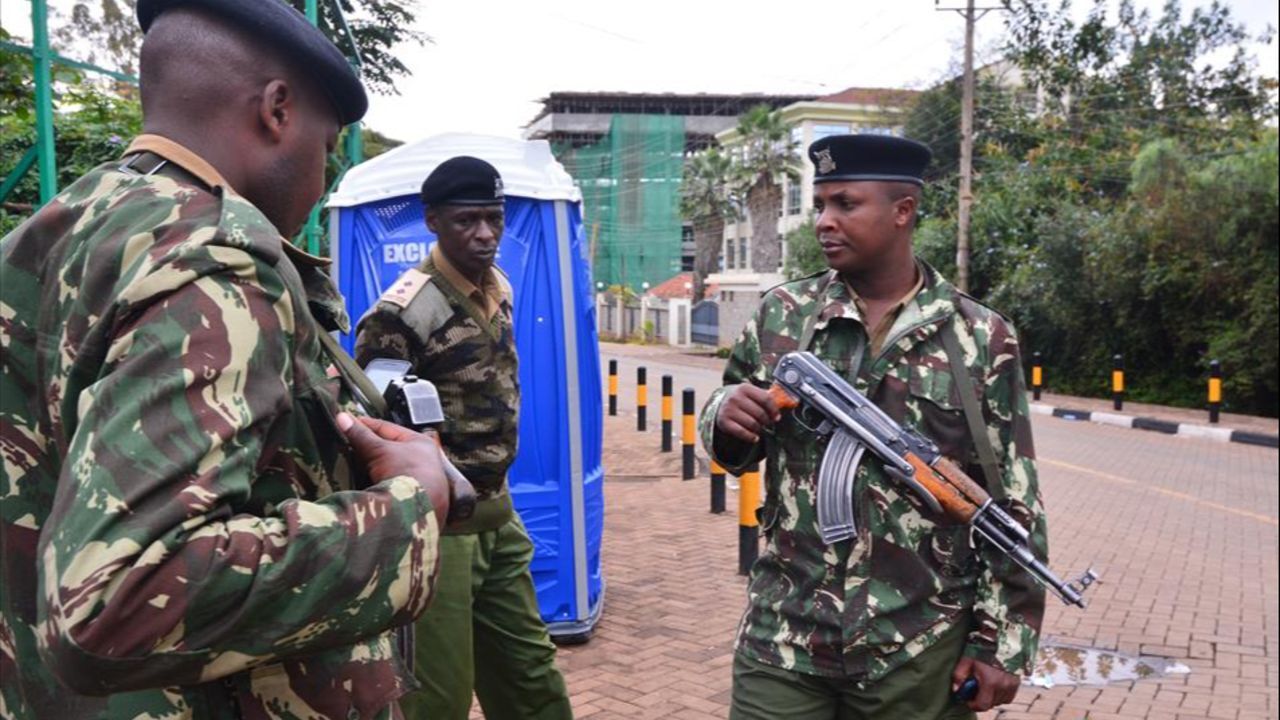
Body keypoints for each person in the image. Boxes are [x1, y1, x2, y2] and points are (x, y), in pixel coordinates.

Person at [0, 0, 454, 717]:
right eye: (327, 147)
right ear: (276, 110)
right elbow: (111, 602)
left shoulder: (58, 236)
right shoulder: (213, 262)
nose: (322, 176)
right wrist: (409, 507)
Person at [698, 134, 1047, 719]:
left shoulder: (981, 338)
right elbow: (735, 443)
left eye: (846, 204)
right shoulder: (783, 315)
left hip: (917, 645)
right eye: (821, 206)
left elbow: (1013, 498)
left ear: (903, 211)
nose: (825, 222)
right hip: (785, 632)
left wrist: (1002, 643)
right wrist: (727, 414)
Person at [354, 157, 574, 720]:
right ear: (432, 221)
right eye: (467, 221)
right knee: (439, 697)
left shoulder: (496, 285)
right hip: (440, 532)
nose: (484, 234)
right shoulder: (401, 315)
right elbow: (377, 432)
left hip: (500, 516)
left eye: (494, 219)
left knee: (533, 683)